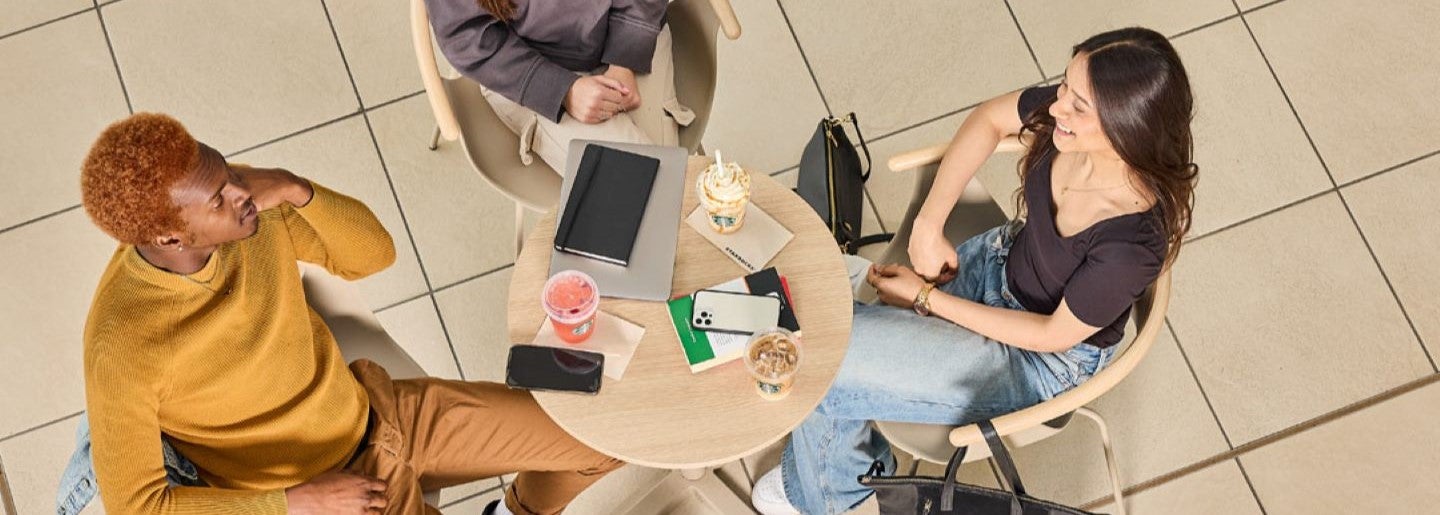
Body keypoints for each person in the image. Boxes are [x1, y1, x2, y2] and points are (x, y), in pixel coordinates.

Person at [70, 113, 622, 515]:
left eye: (227, 171)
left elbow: (374, 255)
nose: (240, 191)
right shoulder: (123, 343)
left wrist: (296, 188)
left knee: (606, 440)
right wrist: (295, 503)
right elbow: (140, 506)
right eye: (218, 198)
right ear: (170, 237)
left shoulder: (253, 207)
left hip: (382, 414)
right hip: (323, 492)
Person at [750, 27, 1199, 515]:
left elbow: (1050, 335)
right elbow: (988, 118)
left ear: (1127, 126)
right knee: (817, 313)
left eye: (1078, 105)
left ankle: (826, 498)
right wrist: (928, 225)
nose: (1056, 107)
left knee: (824, 364)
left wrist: (926, 298)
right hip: (1000, 264)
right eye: (1064, 86)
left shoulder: (1132, 244)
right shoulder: (1070, 111)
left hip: (1035, 361)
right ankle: (851, 443)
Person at [425, 0, 692, 173]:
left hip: (631, 28)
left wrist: (624, 61)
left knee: (670, 188)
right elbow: (467, 36)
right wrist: (564, 90)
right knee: (648, 186)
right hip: (525, 68)